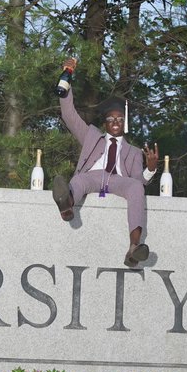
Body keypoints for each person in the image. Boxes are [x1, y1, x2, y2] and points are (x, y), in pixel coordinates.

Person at [52, 57, 159, 268]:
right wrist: (67, 76)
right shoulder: (91, 136)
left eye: (120, 119)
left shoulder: (134, 152)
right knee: (80, 180)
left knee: (136, 186)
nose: (116, 122)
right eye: (111, 119)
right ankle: (66, 203)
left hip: (118, 180)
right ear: (105, 123)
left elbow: (139, 181)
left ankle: (134, 248)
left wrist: (151, 169)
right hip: (93, 175)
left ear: (124, 123)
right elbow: (69, 114)